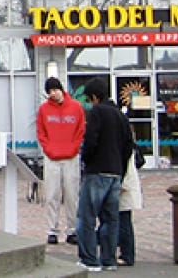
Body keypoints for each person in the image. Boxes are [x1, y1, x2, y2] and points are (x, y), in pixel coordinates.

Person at [76, 78, 133, 272]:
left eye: (89, 99)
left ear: (94, 97)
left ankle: (89, 259)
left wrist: (86, 160)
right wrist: (121, 170)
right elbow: (128, 147)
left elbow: (90, 140)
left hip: (97, 170)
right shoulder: (120, 116)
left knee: (87, 216)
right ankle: (109, 259)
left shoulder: (97, 113)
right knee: (110, 219)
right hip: (115, 172)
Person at [36, 76, 85, 246]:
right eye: (49, 92)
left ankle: (72, 230)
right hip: (52, 157)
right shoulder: (43, 110)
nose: (53, 94)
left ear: (61, 89)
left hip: (71, 157)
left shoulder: (76, 107)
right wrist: (48, 149)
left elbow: (81, 130)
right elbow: (41, 131)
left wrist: (74, 148)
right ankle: (52, 230)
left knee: (72, 195)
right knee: (52, 195)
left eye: (55, 90)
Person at [117, 138, 144, 267]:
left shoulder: (126, 147)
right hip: (125, 188)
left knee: (124, 222)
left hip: (125, 189)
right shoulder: (127, 145)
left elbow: (128, 169)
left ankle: (127, 255)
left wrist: (122, 186)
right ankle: (125, 253)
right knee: (123, 221)